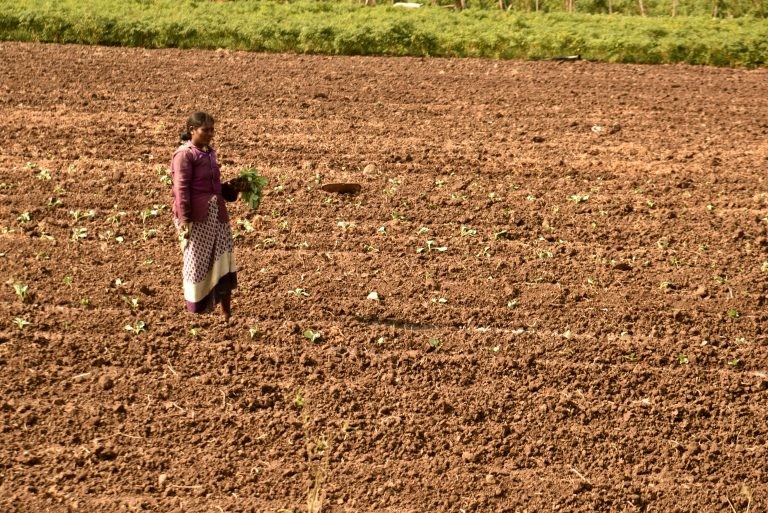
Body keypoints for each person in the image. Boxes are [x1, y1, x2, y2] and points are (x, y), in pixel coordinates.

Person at [170, 111, 244, 322]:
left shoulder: (209, 153)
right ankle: (196, 314)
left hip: (217, 216)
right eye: (205, 130)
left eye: (212, 130)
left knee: (224, 260)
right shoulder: (184, 155)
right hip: (198, 218)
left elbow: (214, 187)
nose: (210, 134)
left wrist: (232, 187)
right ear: (192, 130)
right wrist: (185, 220)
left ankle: (227, 314)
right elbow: (181, 189)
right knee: (197, 263)